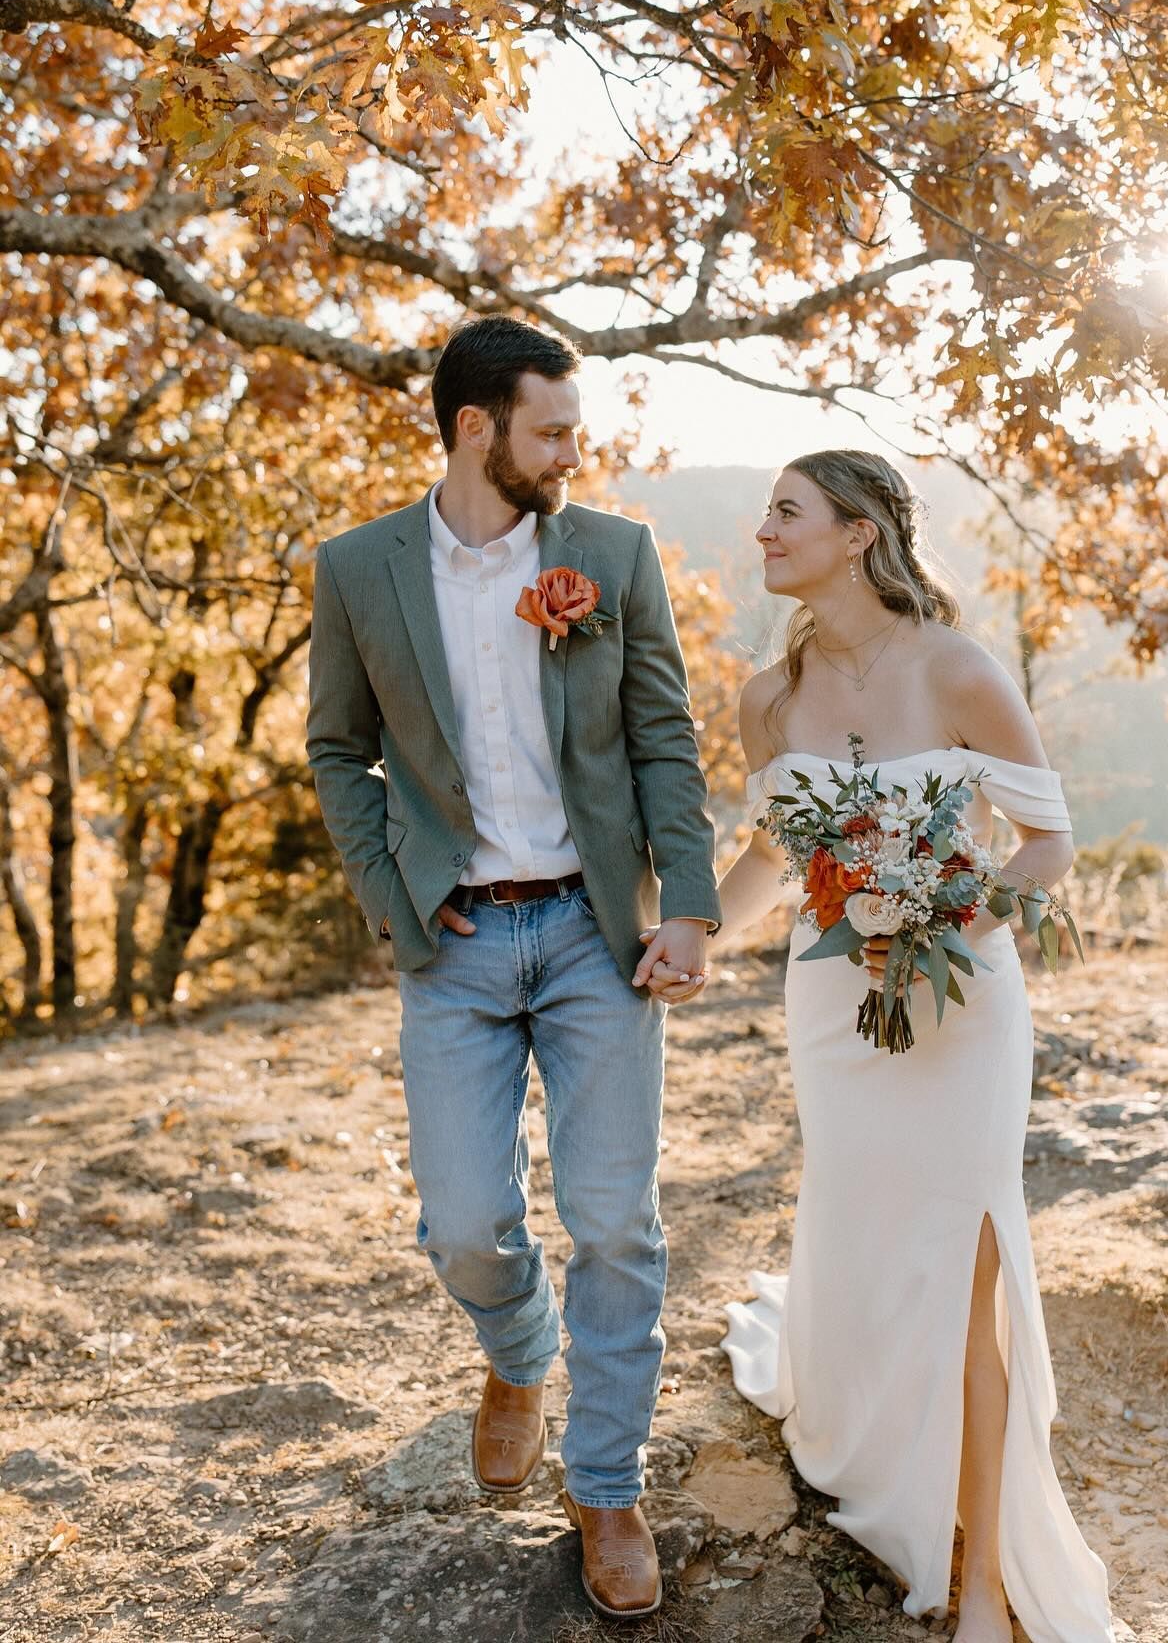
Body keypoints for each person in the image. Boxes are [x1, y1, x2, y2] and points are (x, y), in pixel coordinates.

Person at [305, 314, 720, 1620]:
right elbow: (336, 752)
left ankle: (605, 1490)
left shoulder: (612, 555)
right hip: (459, 943)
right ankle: (518, 1350)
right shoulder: (361, 570)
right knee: (467, 1224)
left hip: (599, 938)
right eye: (551, 429)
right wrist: (395, 900)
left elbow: (664, 738)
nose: (570, 451)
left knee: (614, 1225)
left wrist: (691, 908)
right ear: (478, 428)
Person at [704, 449, 1116, 1641]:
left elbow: (1047, 846)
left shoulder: (956, 670)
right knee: (874, 1247)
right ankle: (892, 1461)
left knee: (974, 1263)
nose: (765, 530)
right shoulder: (764, 701)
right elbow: (773, 864)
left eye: (788, 513)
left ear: (859, 535)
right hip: (835, 1014)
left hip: (963, 1006)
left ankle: (984, 1575)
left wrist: (944, 916)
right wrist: (685, 942)